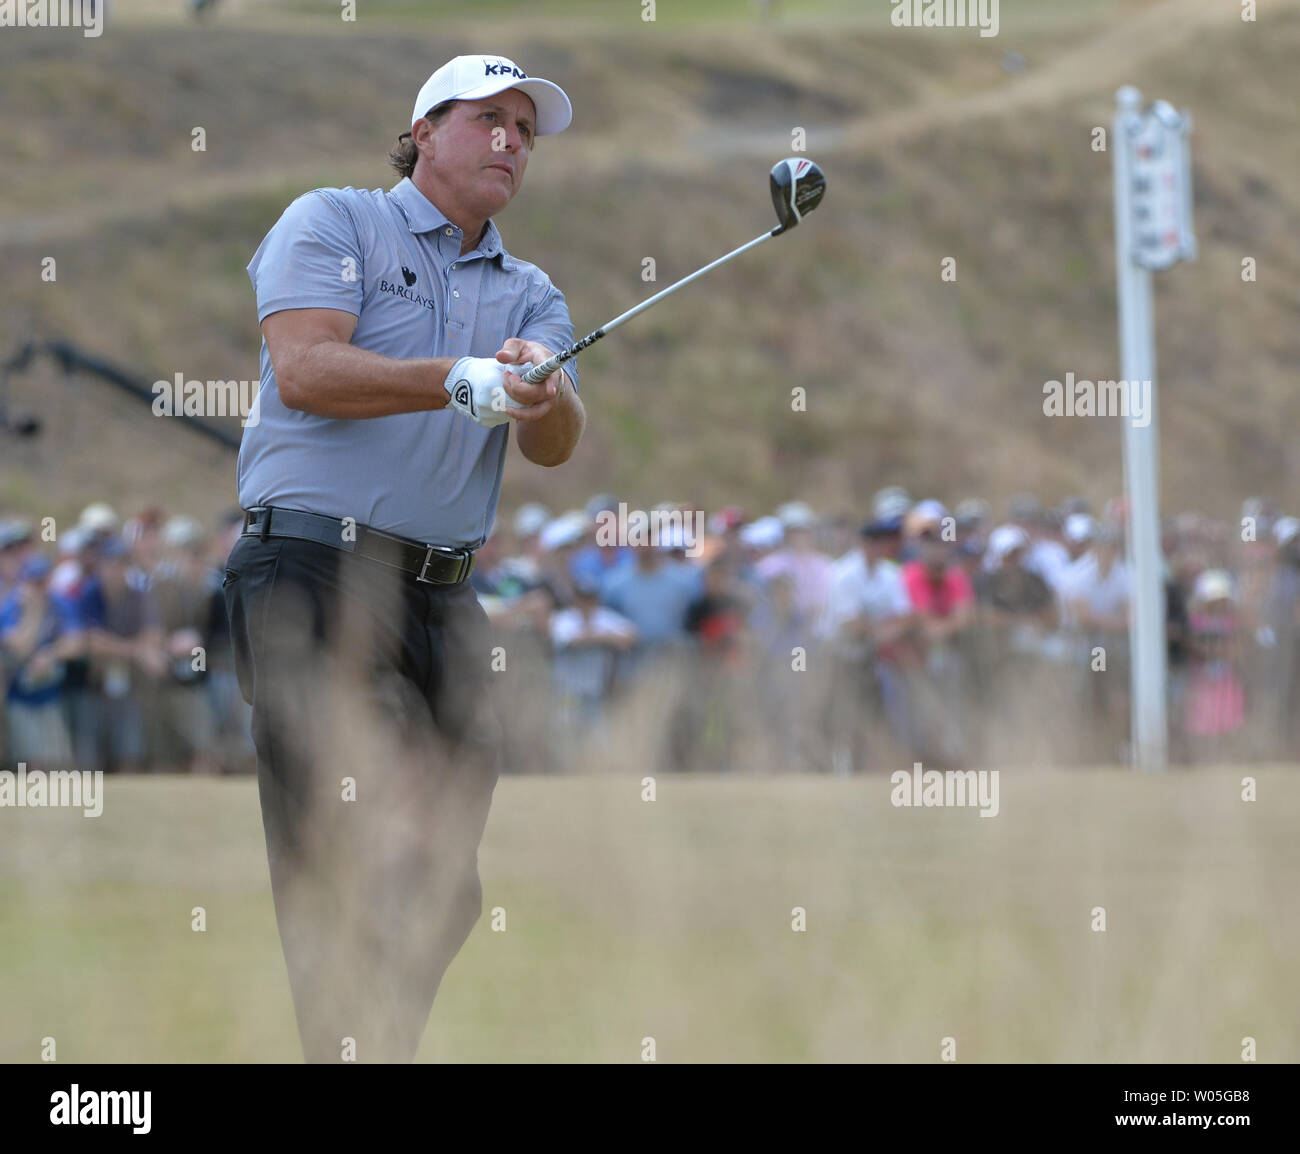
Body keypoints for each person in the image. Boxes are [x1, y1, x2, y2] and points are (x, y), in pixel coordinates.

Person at [223, 54, 584, 1063]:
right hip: (313, 577)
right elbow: (304, 368)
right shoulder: (337, 223)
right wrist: (454, 377)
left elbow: (552, 441)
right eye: (489, 119)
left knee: (446, 884)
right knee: (359, 838)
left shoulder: (530, 290)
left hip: (442, 597)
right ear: (424, 130)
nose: (511, 141)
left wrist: (546, 393)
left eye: (526, 129)